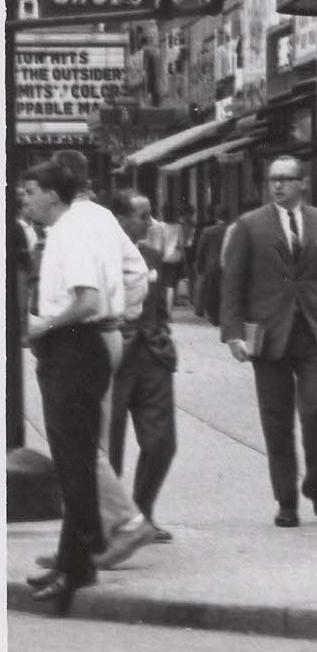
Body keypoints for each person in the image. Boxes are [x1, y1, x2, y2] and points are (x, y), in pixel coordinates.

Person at [17, 152, 128, 613]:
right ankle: (72, 562)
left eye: (29, 192)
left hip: (73, 348)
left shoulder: (70, 234)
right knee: (72, 460)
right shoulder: (66, 230)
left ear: (50, 194)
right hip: (77, 349)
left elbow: (86, 300)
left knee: (75, 462)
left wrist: (45, 326)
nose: (23, 199)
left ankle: (85, 552)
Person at [220, 150, 317, 529]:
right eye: (272, 179)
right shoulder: (249, 225)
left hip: (315, 332)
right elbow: (233, 285)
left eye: (285, 179)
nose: (277, 185)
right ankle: (287, 500)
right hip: (268, 335)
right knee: (276, 421)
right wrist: (233, 334)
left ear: (302, 184)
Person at [104, 191, 178, 551]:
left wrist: (163, 333)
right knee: (109, 447)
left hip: (152, 356)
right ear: (119, 220)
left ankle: (143, 511)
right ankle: (115, 522)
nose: (150, 223)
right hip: (114, 360)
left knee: (162, 442)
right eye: (142, 216)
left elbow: (159, 301)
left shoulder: (150, 254)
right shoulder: (98, 256)